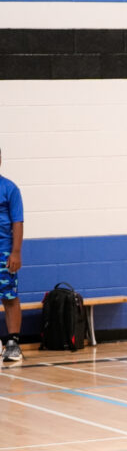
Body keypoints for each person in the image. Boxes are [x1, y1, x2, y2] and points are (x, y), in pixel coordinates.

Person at [0, 147, 23, 363]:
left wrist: (15, 252)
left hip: (4, 252)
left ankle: (13, 343)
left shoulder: (9, 188)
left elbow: (18, 221)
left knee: (9, 296)